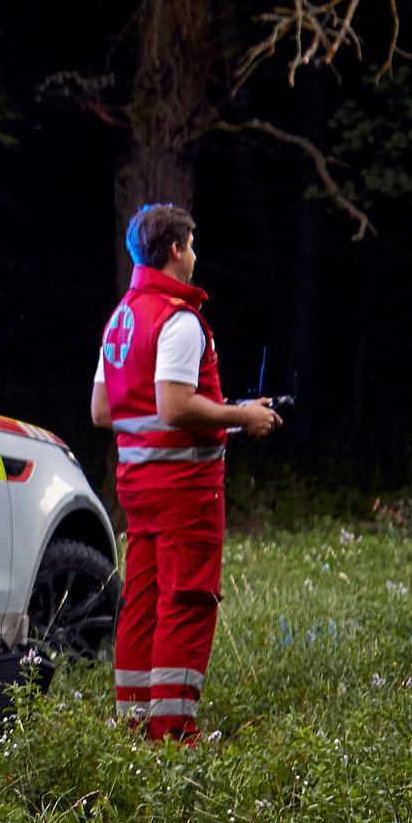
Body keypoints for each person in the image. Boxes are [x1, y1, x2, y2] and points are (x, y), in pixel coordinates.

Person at [90, 203, 279, 744]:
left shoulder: (121, 318)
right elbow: (175, 407)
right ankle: (172, 734)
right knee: (186, 600)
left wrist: (221, 410)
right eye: (192, 245)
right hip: (185, 493)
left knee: (143, 601)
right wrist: (242, 416)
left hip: (140, 491)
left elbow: (104, 412)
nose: (195, 256)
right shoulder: (178, 318)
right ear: (174, 249)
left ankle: (134, 724)